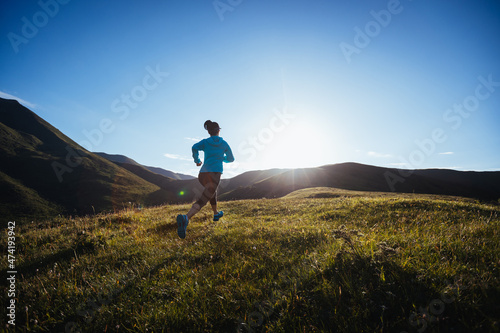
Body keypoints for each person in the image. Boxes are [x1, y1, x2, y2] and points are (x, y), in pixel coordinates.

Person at [176, 120, 234, 239]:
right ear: (219, 131)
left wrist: (197, 161)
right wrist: (222, 158)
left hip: (202, 175)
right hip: (215, 174)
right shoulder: (224, 144)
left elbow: (194, 147)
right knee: (204, 198)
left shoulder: (205, 142)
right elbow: (231, 159)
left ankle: (216, 213)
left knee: (211, 192)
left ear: (209, 132)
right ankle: (186, 218)